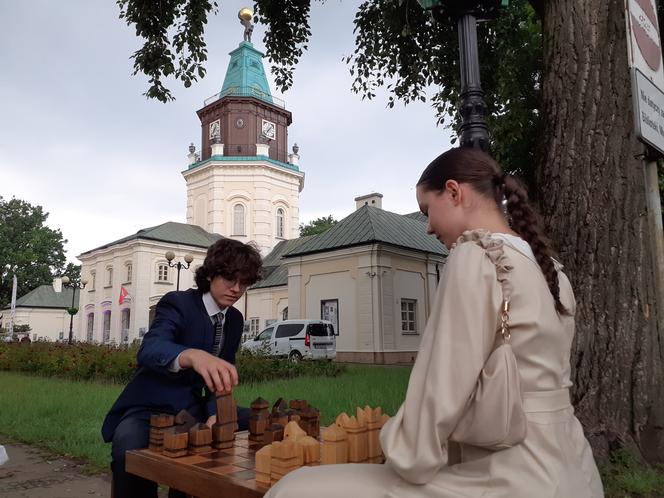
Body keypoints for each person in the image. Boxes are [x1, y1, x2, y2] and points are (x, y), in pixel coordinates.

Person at [267, 147, 604, 498]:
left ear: (455, 192)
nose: (427, 227)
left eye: (428, 210)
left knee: (293, 488)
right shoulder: (550, 269)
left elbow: (441, 386)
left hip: (515, 474)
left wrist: (404, 451)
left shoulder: (475, 255)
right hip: (575, 469)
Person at [101, 238, 262, 498]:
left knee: (265, 422)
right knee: (127, 449)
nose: (236, 288)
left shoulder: (234, 319)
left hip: (194, 409)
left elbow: (220, 375)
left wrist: (215, 412)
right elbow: (150, 349)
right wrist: (191, 355)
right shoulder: (178, 303)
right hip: (150, 409)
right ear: (210, 274)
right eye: (230, 279)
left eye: (244, 282)